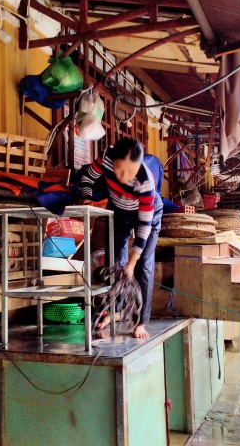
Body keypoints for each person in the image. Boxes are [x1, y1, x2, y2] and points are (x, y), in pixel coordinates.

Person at [80, 138, 163, 339]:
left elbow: (143, 227)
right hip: (120, 210)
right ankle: (113, 312)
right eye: (119, 169)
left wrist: (132, 262)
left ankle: (141, 321)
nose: (124, 177)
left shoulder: (145, 183)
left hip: (147, 216)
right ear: (112, 160)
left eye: (130, 172)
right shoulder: (106, 158)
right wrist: (86, 196)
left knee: (143, 265)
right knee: (116, 262)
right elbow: (87, 177)